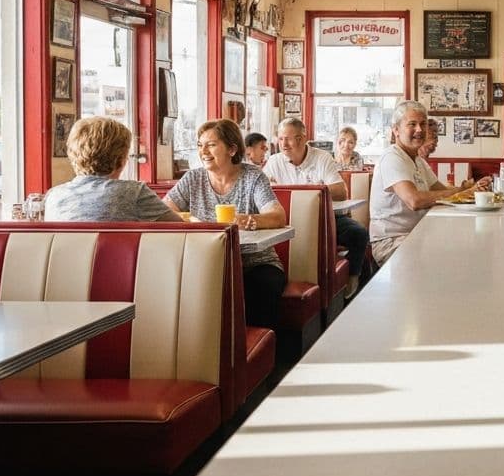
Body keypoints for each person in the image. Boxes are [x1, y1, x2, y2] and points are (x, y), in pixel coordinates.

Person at [165, 119, 287, 329]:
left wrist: (249, 220)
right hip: (206, 263)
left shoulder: (253, 177)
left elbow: (278, 216)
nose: (203, 151)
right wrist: (188, 220)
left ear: (232, 149)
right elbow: (165, 212)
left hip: (255, 263)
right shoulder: (192, 178)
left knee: (261, 286)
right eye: (200, 145)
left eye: (211, 145)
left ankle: (257, 349)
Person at [369, 100, 491, 265]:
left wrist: (467, 188)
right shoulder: (391, 157)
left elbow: (441, 190)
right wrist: (463, 192)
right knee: (455, 258)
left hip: (419, 234)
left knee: (469, 248)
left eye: (423, 124)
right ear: (396, 130)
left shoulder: (417, 160)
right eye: (412, 124)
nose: (419, 129)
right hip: (392, 241)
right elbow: (415, 200)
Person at [263, 117, 370, 299]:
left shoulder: (322, 158)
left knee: (359, 234)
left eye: (290, 138)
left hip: (324, 218)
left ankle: (353, 276)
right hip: (287, 222)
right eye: (281, 139)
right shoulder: (274, 162)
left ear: (303, 138)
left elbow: (340, 192)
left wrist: (305, 194)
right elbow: (262, 193)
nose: (284, 144)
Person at [45, 116, 184, 223]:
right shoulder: (134, 193)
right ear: (122, 159)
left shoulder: (54, 196)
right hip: (117, 260)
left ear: (72, 154)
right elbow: (181, 230)